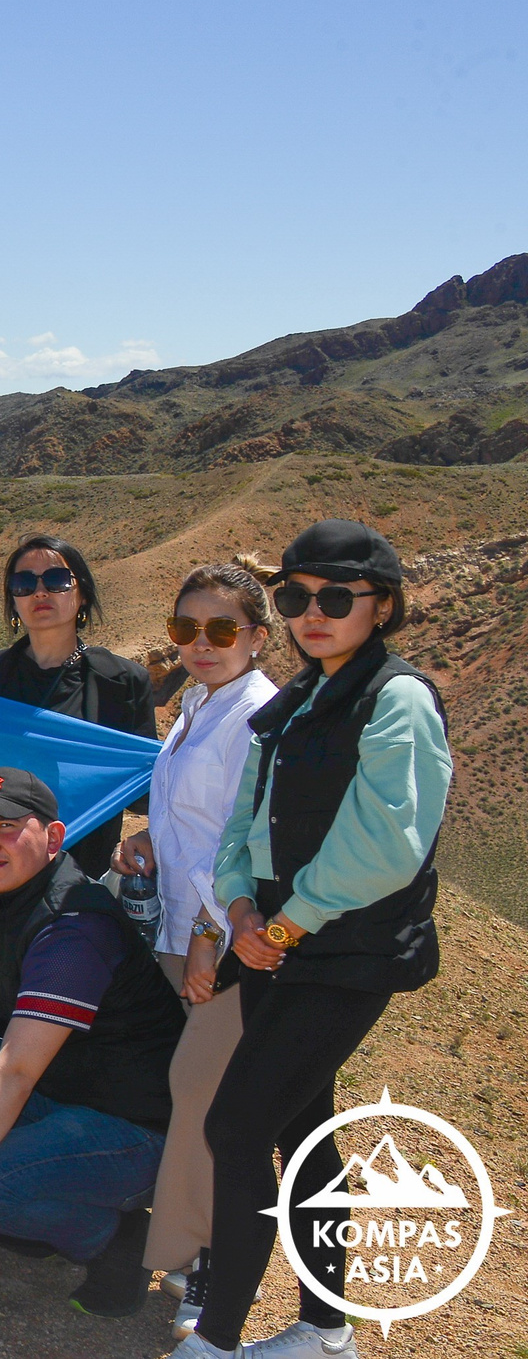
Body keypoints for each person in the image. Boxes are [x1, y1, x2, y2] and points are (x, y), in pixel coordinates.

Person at [175, 521, 450, 1359]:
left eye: (336, 598)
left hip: (344, 955)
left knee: (236, 1125)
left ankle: (217, 1340)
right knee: (302, 1133)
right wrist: (240, 909)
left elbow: (388, 843)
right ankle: (326, 1331)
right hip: (277, 950)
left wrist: (284, 923)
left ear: (385, 607)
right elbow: (244, 826)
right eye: (296, 598)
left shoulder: (396, 697)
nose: (312, 614)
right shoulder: (301, 696)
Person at [0, 768, 186, 1318]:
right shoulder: (13, 898)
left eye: (8, 826)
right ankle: (41, 1197)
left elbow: (15, 1069)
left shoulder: (72, 928)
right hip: (73, 1090)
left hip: (138, 1128)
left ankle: (115, 1238)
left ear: (54, 838)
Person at [115, 564, 280, 1331]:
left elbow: (253, 838)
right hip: (180, 933)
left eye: (221, 630)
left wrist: (215, 933)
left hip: (226, 938)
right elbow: (195, 818)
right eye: (186, 630)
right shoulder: (194, 705)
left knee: (206, 1095)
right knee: (192, 1090)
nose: (201, 645)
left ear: (257, 635)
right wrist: (150, 839)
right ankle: (188, 1255)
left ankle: (212, 1262)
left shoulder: (259, 715)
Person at [0, 535, 158, 877]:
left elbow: (142, 794)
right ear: (13, 601)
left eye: (56, 580)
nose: (40, 592)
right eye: (24, 583)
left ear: (81, 593)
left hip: (84, 874)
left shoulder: (122, 681)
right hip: (2, 872)